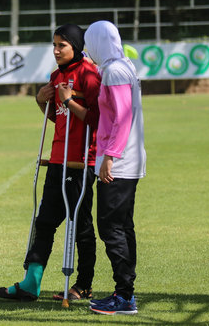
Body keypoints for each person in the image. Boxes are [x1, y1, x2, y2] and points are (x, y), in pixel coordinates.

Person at [0, 23, 101, 302]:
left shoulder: (89, 74)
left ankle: (84, 284)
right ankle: (31, 284)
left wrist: (69, 99)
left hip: (81, 162)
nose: (55, 50)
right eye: (53, 45)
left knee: (80, 224)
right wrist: (41, 101)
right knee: (45, 222)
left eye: (61, 45)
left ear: (75, 46)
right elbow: (59, 116)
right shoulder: (56, 75)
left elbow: (96, 119)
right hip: (57, 159)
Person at [83, 20, 146, 315]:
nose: (86, 48)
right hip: (124, 161)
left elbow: (121, 118)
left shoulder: (115, 71)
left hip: (118, 163)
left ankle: (124, 297)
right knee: (122, 226)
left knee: (111, 227)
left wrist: (109, 156)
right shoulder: (122, 66)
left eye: (88, 42)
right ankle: (125, 293)